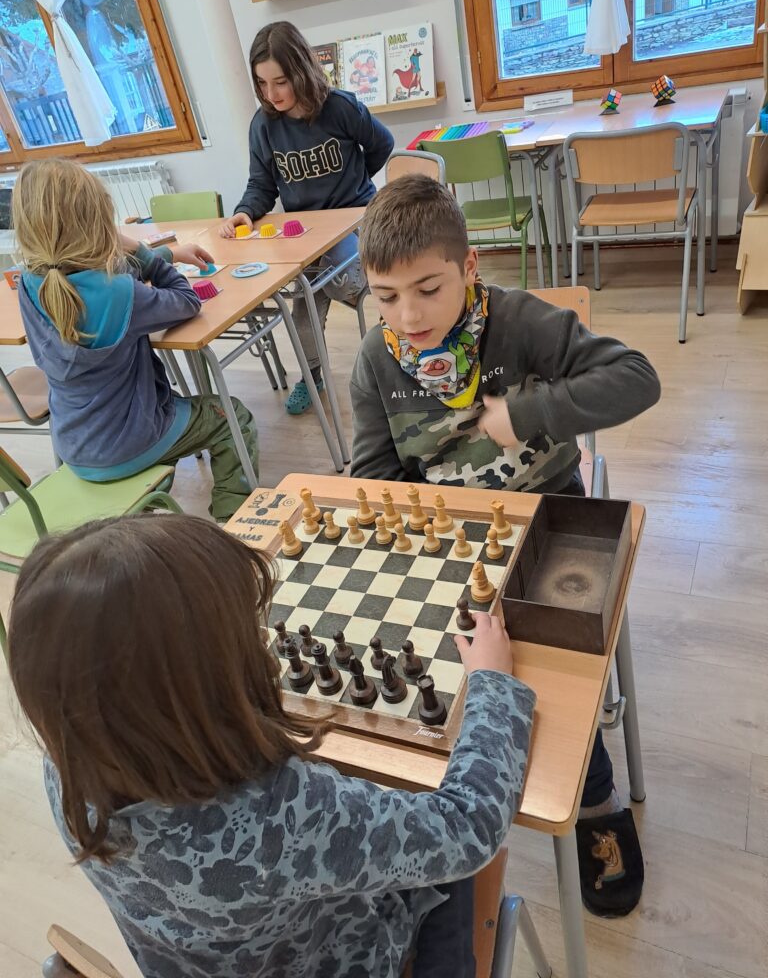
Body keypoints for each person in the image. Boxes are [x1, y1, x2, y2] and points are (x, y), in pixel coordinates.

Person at [8, 514, 536, 978]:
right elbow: (469, 827)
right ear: (202, 689)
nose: (259, 646)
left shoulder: (69, 771)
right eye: (241, 636)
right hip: (348, 961)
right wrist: (492, 684)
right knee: (456, 874)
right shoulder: (285, 815)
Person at [351, 174, 661, 918]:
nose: (408, 315)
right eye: (385, 296)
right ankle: (448, 786)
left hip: (552, 524)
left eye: (428, 289)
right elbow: (373, 473)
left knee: (546, 666)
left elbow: (637, 379)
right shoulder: (376, 361)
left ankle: (594, 797)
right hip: (458, 545)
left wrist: (529, 411)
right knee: (406, 662)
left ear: (469, 266)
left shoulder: (520, 324)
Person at [12, 159, 259, 523]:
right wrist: (140, 249)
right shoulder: (120, 293)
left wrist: (167, 252)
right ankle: (233, 520)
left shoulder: (30, 284)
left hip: (74, 447)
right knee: (231, 417)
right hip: (130, 443)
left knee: (173, 409)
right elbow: (187, 300)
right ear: (99, 224)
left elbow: (105, 278)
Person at [219, 21, 394, 415]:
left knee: (342, 281)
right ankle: (313, 375)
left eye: (280, 82)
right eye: (262, 83)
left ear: (301, 71)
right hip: (306, 236)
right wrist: (244, 212)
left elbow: (382, 144)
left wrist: (357, 186)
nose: (271, 94)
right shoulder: (263, 125)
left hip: (353, 224)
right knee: (302, 313)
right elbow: (261, 184)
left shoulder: (340, 108)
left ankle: (386, 351)